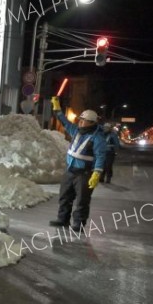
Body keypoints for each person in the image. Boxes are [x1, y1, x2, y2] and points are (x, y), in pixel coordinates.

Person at [49, 96, 107, 231]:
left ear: (92, 123)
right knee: (64, 197)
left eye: (84, 121)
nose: (80, 123)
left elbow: (100, 156)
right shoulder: (76, 131)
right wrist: (57, 109)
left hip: (84, 174)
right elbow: (64, 121)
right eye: (80, 120)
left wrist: (96, 173)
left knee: (82, 201)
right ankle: (63, 220)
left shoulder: (98, 138)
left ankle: (78, 224)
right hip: (70, 171)